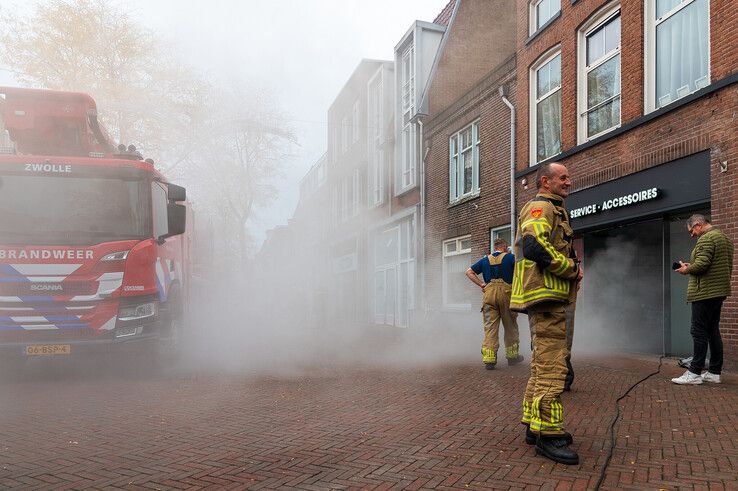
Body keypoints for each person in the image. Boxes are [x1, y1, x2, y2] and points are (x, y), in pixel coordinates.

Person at [510, 162, 582, 465]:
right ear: (545, 181)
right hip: (548, 298)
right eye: (562, 177)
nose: (568, 181)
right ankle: (549, 436)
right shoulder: (541, 207)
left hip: (546, 298)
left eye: (568, 177)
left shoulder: (552, 207)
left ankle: (533, 425)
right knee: (553, 368)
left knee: (541, 365)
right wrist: (570, 269)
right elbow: (534, 245)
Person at [672, 214, 734, 385]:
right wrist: (691, 266)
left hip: (705, 292)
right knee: (713, 331)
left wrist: (686, 269)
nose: (692, 235)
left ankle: (694, 373)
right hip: (718, 292)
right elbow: (712, 264)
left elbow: (702, 265)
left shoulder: (707, 238)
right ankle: (714, 372)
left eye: (692, 231)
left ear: (698, 225)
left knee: (698, 331)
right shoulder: (725, 239)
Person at [465, 238, 522, 370]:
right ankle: (512, 357)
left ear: (494, 247)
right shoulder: (510, 257)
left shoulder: (485, 260)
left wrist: (481, 284)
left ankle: (490, 360)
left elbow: (469, 272)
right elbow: (522, 272)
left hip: (489, 295)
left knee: (490, 327)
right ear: (505, 247)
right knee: (510, 325)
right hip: (507, 295)